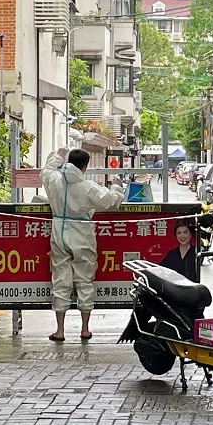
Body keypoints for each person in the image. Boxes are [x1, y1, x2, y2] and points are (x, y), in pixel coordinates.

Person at [40, 147, 125, 343]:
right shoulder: (87, 187)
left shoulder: (54, 181)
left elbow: (45, 171)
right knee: (84, 281)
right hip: (82, 235)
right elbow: (112, 201)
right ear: (85, 166)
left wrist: (57, 156)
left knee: (60, 281)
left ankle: (60, 330)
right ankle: (85, 329)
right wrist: (117, 186)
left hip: (59, 232)